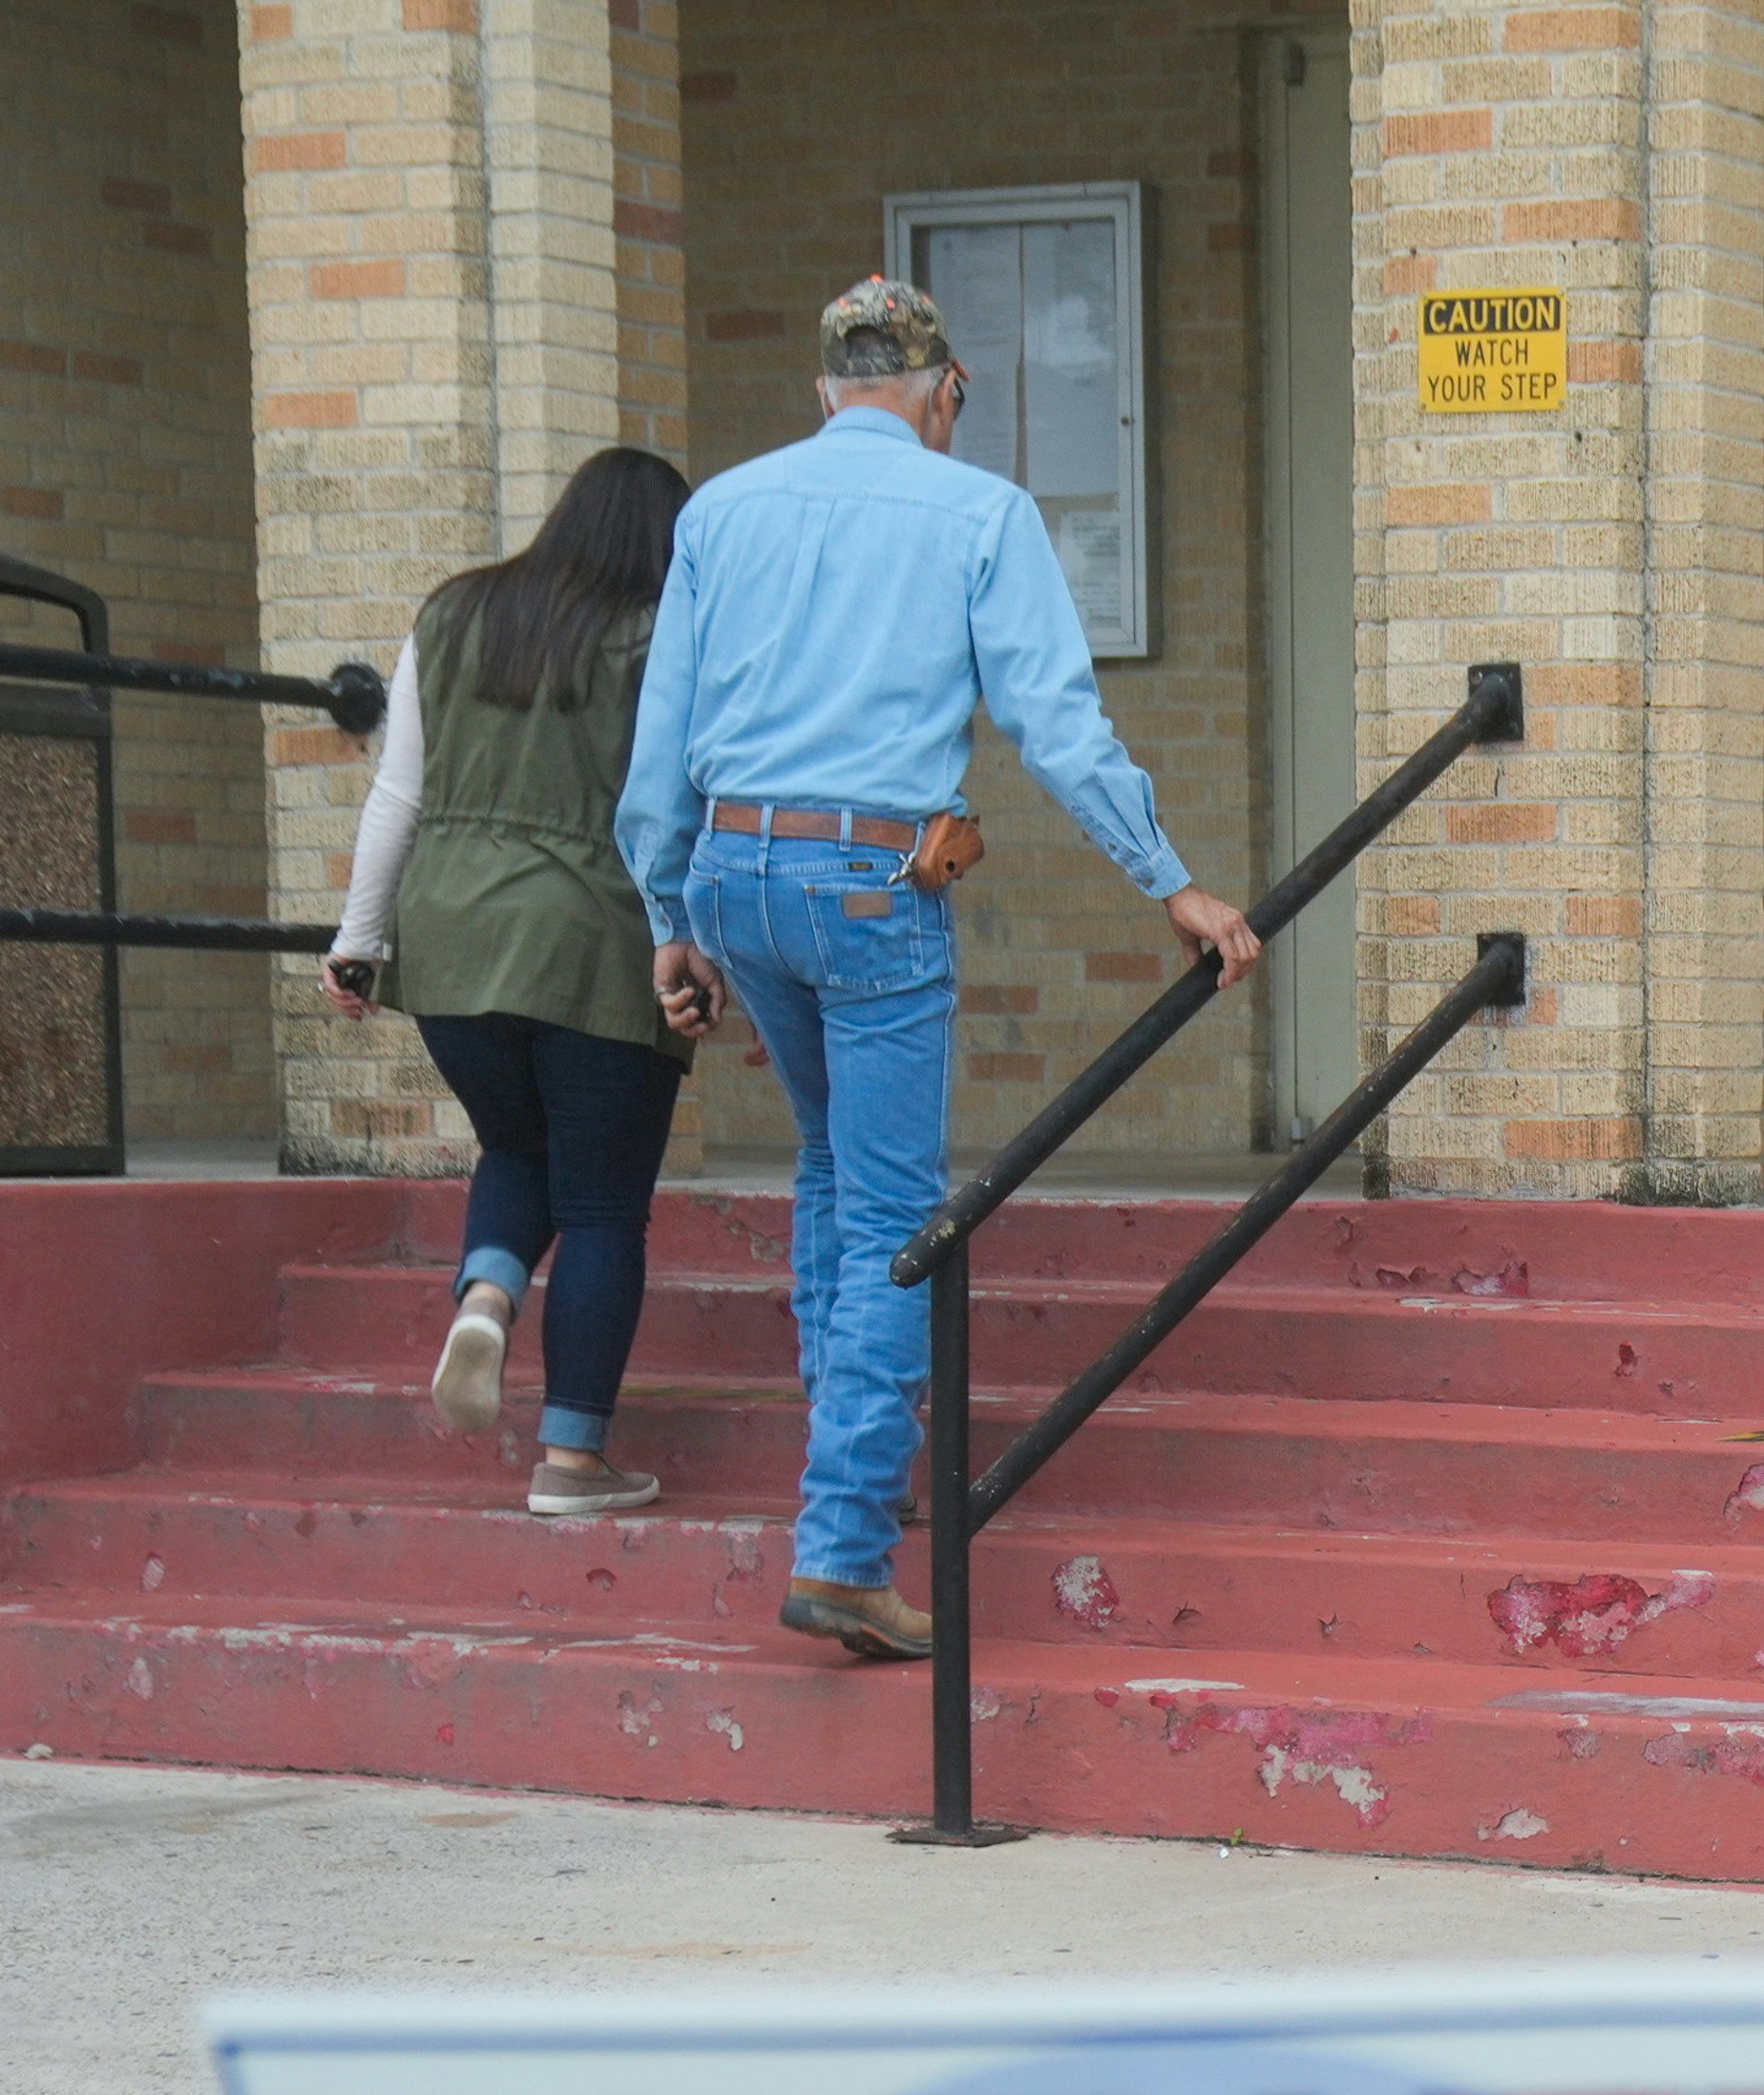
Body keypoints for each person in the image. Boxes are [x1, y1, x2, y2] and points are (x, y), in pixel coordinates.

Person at [617, 275, 1260, 1662]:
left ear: (823, 391)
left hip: (734, 870)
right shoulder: (980, 511)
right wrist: (1171, 881)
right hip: (871, 883)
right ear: (945, 391)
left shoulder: (719, 511)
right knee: (898, 1216)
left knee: (831, 1165)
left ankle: (849, 1458)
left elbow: (659, 738)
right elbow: (1057, 724)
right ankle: (846, 1545)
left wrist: (669, 915)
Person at [327, 446, 700, 1518]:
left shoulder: (454, 613)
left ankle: (488, 1296)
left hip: (449, 939)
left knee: (515, 1144)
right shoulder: (662, 635)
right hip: (595, 942)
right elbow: (693, 805)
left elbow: (397, 795)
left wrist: (358, 940)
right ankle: (572, 1460)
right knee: (601, 1207)